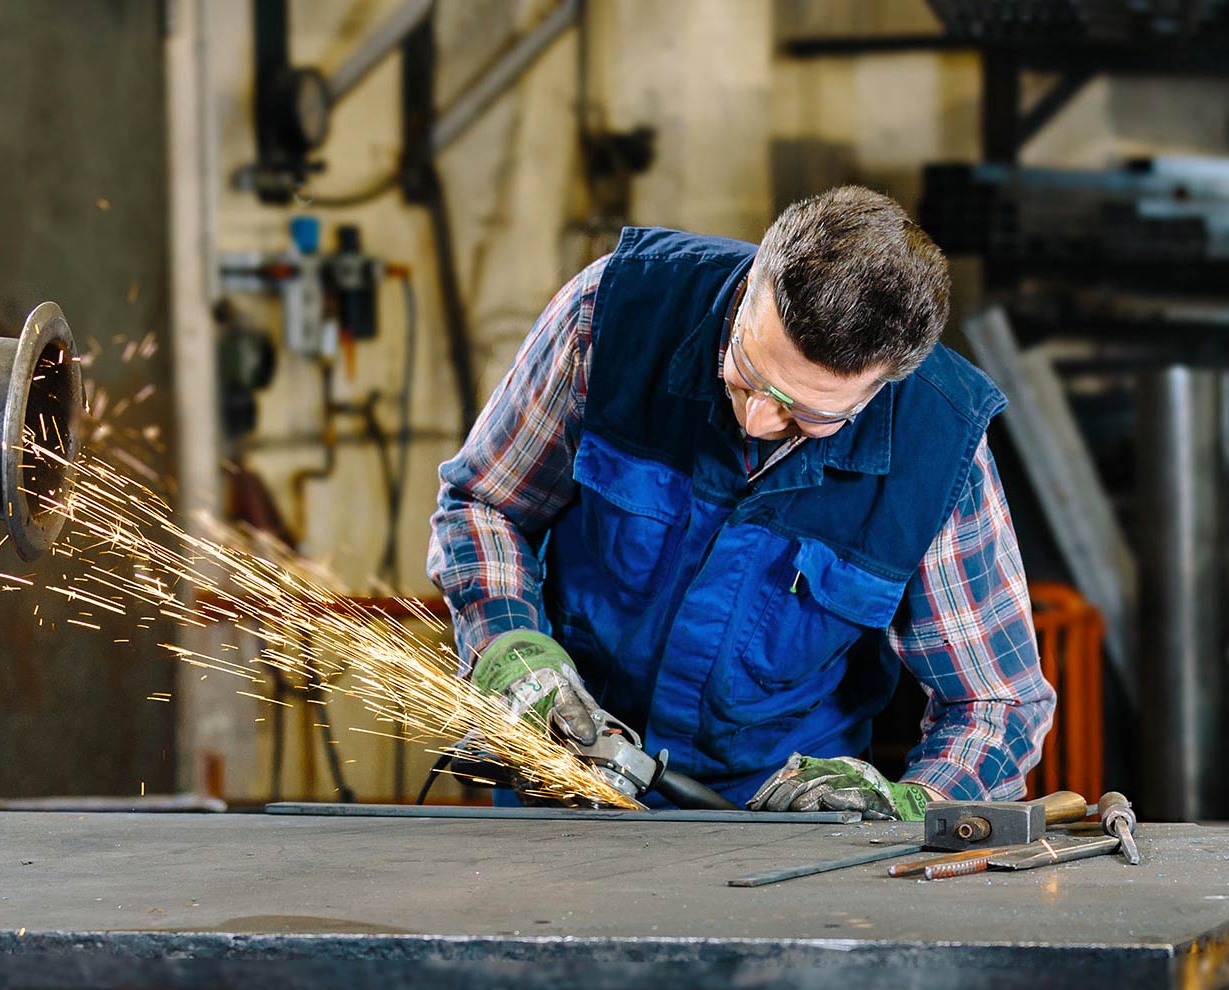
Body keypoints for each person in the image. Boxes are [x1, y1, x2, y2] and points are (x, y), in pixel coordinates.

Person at [427, 186, 1054, 819]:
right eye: (747, 370)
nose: (755, 418)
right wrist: (512, 650)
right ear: (754, 280)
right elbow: (486, 504)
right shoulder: (612, 316)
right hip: (564, 782)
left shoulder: (937, 449)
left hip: (775, 829)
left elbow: (996, 706)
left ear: (881, 386)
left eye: (802, 413)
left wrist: (909, 806)